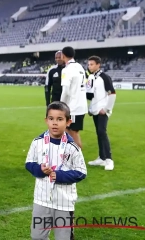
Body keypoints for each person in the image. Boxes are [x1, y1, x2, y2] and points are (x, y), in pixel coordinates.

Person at [25, 101, 87, 240]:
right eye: (51, 118)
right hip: (41, 200)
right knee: (37, 237)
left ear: (68, 122)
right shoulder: (37, 142)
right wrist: (39, 169)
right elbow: (29, 163)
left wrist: (59, 176)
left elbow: (81, 172)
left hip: (64, 202)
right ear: (46, 120)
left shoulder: (72, 147)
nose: (55, 123)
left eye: (59, 119)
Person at [86, 56, 116, 171]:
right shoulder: (91, 77)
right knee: (99, 133)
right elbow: (91, 96)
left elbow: (112, 93)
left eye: (92, 64)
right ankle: (102, 157)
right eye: (89, 64)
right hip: (95, 110)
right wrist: (90, 108)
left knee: (102, 132)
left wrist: (107, 109)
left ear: (98, 65)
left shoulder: (104, 77)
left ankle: (109, 159)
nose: (89, 66)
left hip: (102, 111)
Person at [59, 46, 87, 149]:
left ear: (63, 55)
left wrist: (61, 106)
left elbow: (65, 91)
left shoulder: (67, 70)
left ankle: (78, 156)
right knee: (66, 130)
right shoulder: (80, 67)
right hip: (81, 105)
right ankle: (70, 154)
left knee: (73, 133)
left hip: (73, 107)